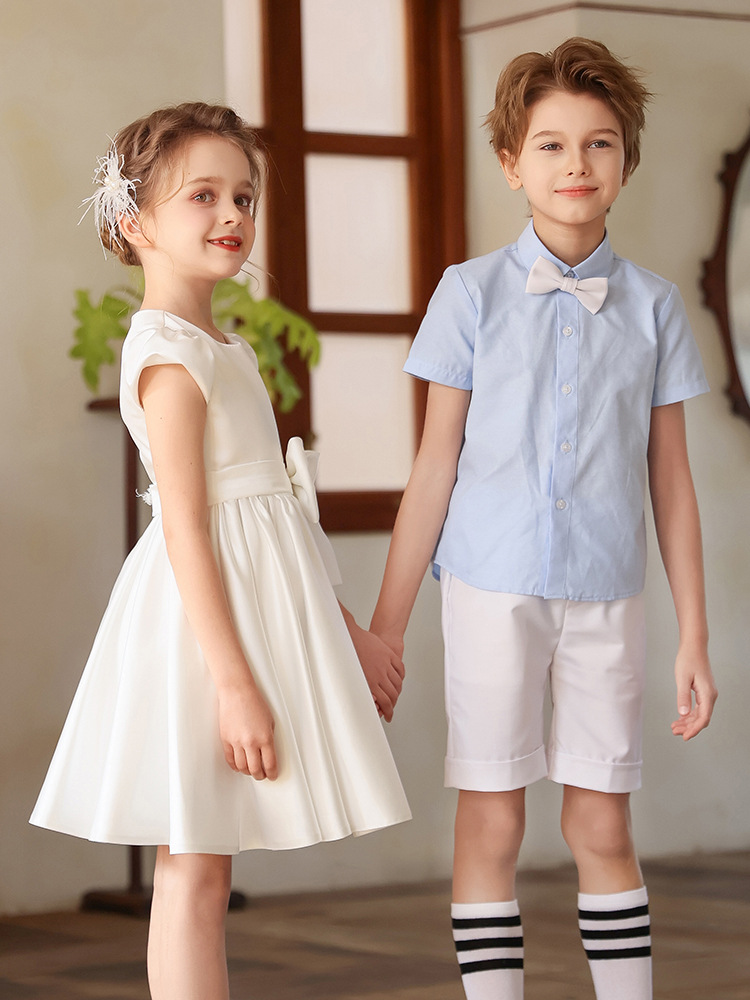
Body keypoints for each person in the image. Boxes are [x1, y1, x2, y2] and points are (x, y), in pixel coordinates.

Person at [31, 102, 410, 1000]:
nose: (232, 213)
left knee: (208, 868)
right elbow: (187, 527)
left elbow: (276, 520)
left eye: (243, 195)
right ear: (135, 222)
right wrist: (234, 685)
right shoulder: (169, 354)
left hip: (250, 612)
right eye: (202, 195)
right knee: (194, 869)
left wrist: (348, 632)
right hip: (202, 636)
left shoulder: (226, 349)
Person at [369, 37, 717, 1000]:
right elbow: (433, 469)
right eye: (551, 145)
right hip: (491, 589)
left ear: (626, 162)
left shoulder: (654, 308)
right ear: (510, 162)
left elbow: (672, 485)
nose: (577, 164)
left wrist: (694, 636)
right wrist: (387, 630)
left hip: (608, 596)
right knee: (492, 821)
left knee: (602, 823)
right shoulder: (468, 294)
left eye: (599, 143)